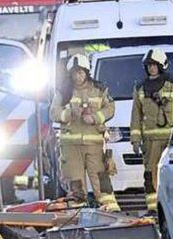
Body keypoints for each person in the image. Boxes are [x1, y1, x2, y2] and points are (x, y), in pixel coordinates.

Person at [50, 54, 121, 212]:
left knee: (101, 181)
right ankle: (76, 217)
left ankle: (111, 212)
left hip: (93, 145)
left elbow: (110, 108)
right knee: (76, 185)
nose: (77, 76)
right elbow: (54, 113)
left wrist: (95, 117)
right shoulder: (63, 92)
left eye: (81, 72)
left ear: (87, 72)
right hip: (71, 146)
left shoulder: (99, 89)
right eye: (75, 73)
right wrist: (70, 113)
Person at [130, 48, 173, 214]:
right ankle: (153, 208)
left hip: (172, 141)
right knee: (150, 174)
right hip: (150, 141)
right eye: (148, 65)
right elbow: (136, 115)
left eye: (154, 65)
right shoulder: (140, 88)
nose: (151, 68)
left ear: (162, 65)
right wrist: (135, 139)